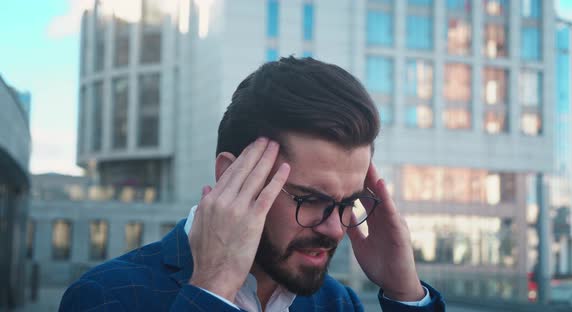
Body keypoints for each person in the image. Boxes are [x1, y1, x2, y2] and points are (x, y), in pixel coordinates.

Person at [59, 57, 445, 312]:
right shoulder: (105, 297)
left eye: (350, 203)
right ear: (232, 175)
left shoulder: (337, 303)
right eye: (311, 199)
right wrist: (212, 290)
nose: (335, 228)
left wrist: (405, 294)